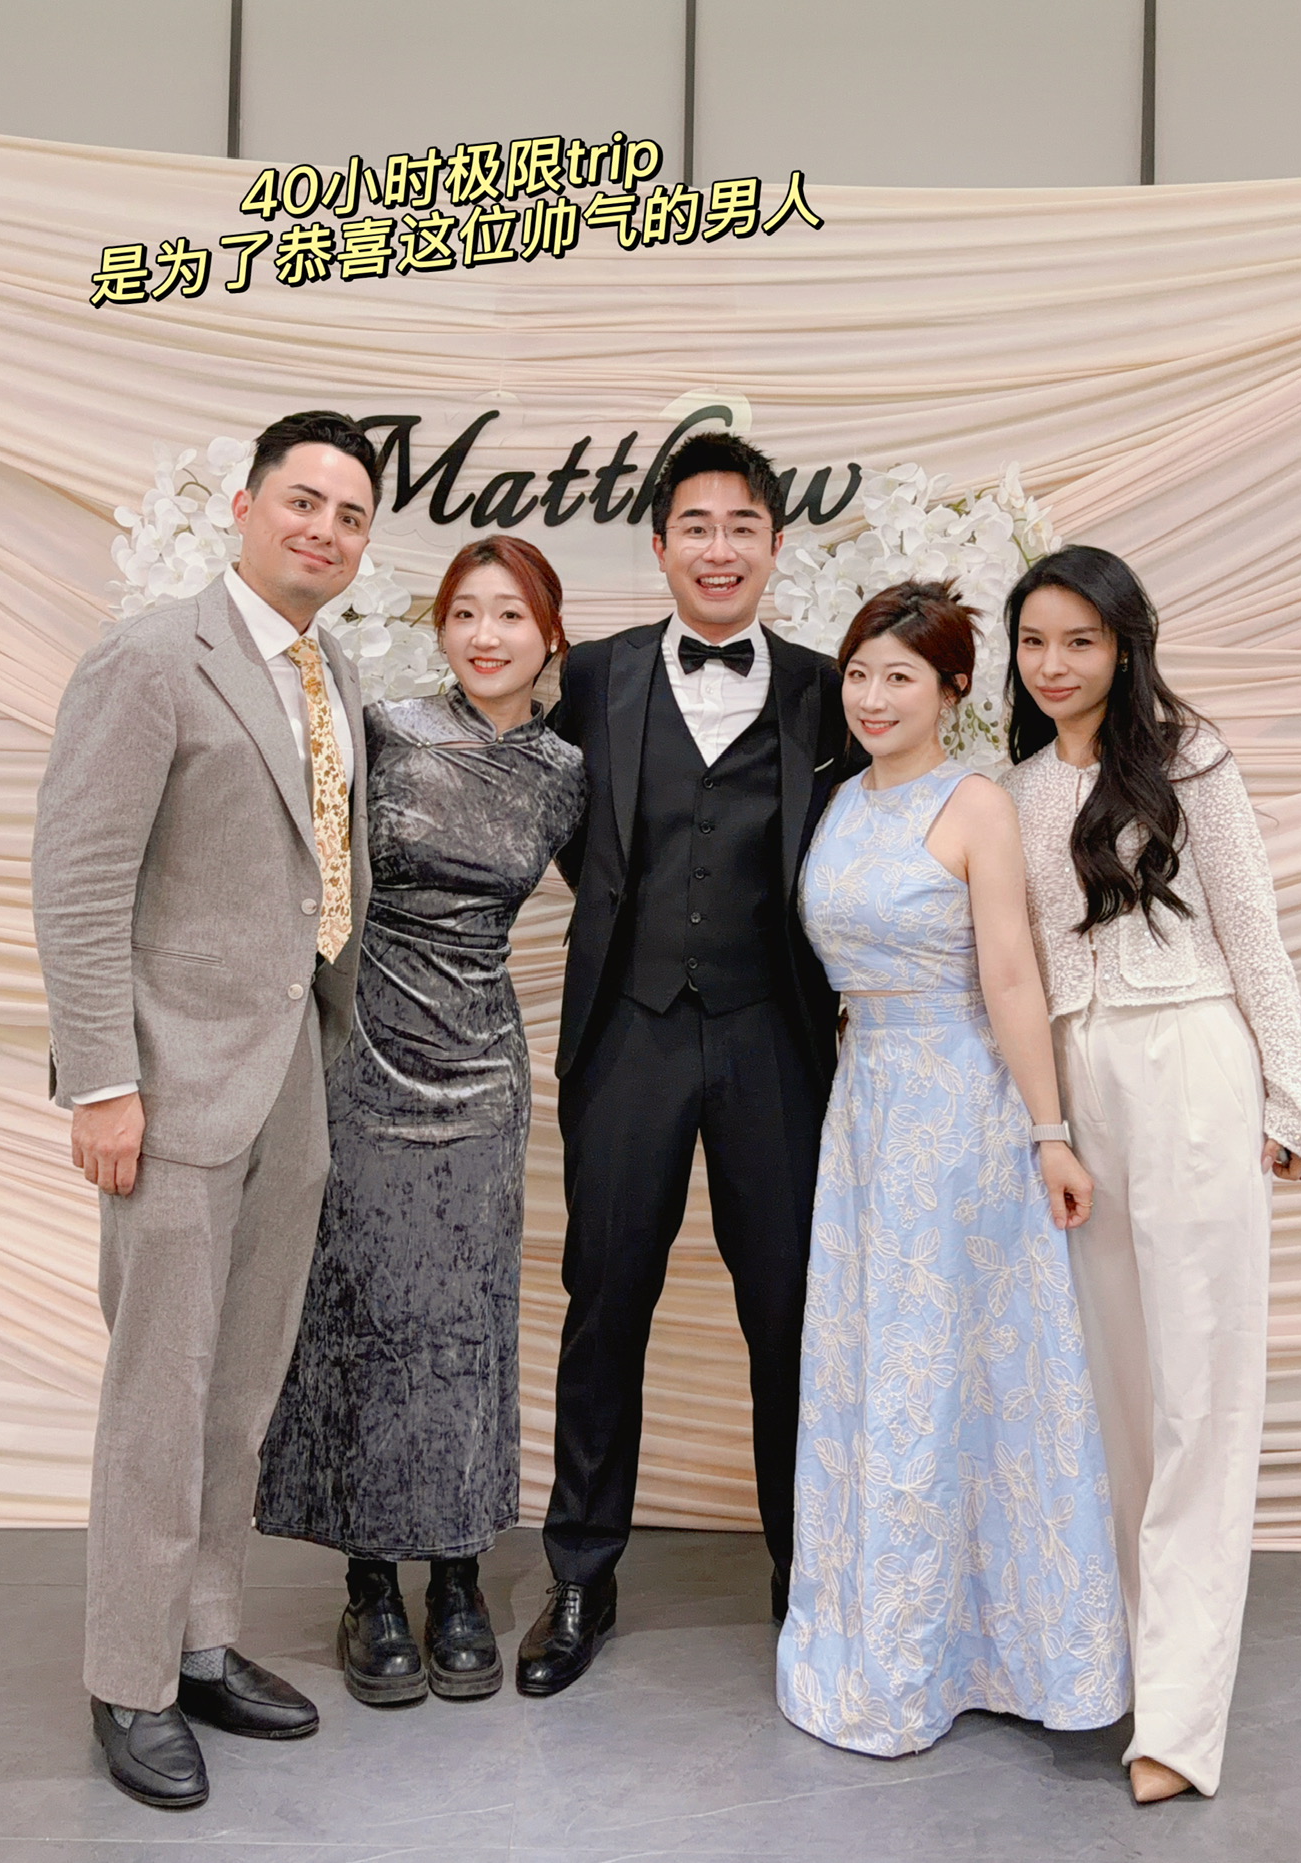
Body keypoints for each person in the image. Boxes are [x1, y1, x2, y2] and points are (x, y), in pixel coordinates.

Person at [31, 410, 377, 1809]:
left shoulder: (331, 671)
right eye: (304, 501)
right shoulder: (149, 657)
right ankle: (128, 1678)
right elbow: (78, 879)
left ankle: (203, 1638)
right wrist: (104, 1081)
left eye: (350, 514)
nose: (324, 530)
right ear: (245, 507)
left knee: (239, 1389)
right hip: (167, 1086)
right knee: (158, 1398)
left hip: (291, 1073)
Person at [515, 430, 860, 1697]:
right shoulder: (593, 677)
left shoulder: (829, 691)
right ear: (659, 546)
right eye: (697, 528)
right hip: (631, 1029)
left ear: (776, 544)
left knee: (791, 1309)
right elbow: (562, 824)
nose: (720, 549)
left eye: (743, 527)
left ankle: (807, 1570)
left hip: (777, 1035)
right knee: (606, 1301)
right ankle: (580, 1575)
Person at [776, 580, 1130, 1758]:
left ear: (954, 690)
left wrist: (1048, 1129)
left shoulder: (976, 803)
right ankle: (893, 1635)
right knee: (874, 1364)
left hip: (961, 1114)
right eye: (859, 674)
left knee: (948, 1372)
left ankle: (996, 1648)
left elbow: (1011, 976)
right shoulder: (837, 802)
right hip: (864, 1112)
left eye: (901, 677)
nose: (873, 698)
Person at [1000, 546, 1301, 1803]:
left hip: (1193, 1066)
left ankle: (1181, 1725)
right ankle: (1139, 1667)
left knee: (1201, 1400)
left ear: (1126, 645)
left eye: (1080, 640)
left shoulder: (1193, 761)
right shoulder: (1019, 788)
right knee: (1119, 1401)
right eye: (1035, 640)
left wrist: (1291, 1092)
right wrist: (1044, 1123)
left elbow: (1254, 928)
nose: (1054, 664)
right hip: (1082, 1094)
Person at [256, 536, 585, 1706]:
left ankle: (455, 1576)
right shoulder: (382, 729)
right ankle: (368, 1584)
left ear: (550, 635)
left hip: (483, 1073)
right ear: (440, 627)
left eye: (510, 614)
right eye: (465, 612)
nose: (486, 635)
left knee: (464, 1330)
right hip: (363, 1059)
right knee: (363, 1319)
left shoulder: (567, 772)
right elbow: (296, 867)